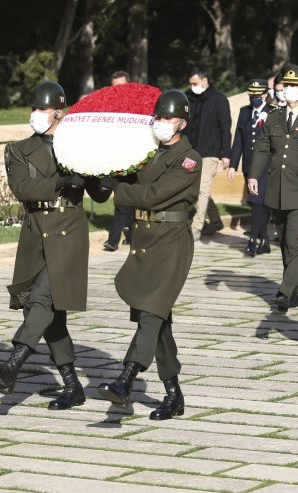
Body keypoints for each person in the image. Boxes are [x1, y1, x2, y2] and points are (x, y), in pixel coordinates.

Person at [0, 81, 110, 409]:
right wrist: (61, 181)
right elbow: (23, 188)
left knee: (42, 299)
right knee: (47, 314)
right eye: (34, 108)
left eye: (42, 109)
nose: (36, 114)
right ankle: (72, 386)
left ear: (58, 112)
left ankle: (13, 364)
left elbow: (100, 194)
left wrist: (105, 176)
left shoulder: (79, 146)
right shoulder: (18, 149)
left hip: (68, 231)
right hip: (35, 233)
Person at [97, 89, 201, 420]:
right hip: (145, 242)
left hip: (171, 244)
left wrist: (119, 191)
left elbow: (154, 195)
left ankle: (125, 380)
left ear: (181, 123)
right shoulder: (148, 153)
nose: (161, 123)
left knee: (151, 315)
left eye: (167, 119)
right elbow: (126, 178)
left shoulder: (190, 160)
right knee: (157, 321)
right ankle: (174, 395)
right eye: (158, 118)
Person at [248, 64, 298, 311]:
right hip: (277, 189)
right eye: (286, 85)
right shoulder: (273, 117)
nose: (289, 89)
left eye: (295, 86)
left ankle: (284, 291)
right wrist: (253, 175)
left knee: (294, 242)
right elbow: (263, 148)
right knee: (285, 241)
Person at [228, 79, 274, 256]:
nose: (254, 97)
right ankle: (265, 240)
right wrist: (233, 165)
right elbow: (239, 140)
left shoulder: (273, 112)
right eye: (252, 94)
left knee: (256, 203)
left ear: (264, 95)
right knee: (259, 204)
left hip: (266, 166)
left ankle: (252, 241)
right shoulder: (245, 112)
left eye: (257, 94)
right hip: (249, 164)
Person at [186, 69, 232, 240]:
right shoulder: (189, 98)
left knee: (202, 188)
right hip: (191, 152)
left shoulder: (219, 100)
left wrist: (226, 154)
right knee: (197, 188)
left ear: (205, 80)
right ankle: (215, 220)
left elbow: (225, 129)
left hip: (211, 152)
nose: (192, 87)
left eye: (195, 83)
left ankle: (196, 227)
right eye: (190, 84)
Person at [104, 70, 135, 251]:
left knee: (125, 200)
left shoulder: (138, 106)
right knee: (123, 198)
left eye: (122, 86)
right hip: (116, 158)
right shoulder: (109, 107)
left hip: (135, 159)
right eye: (115, 87)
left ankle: (113, 240)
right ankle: (128, 235)